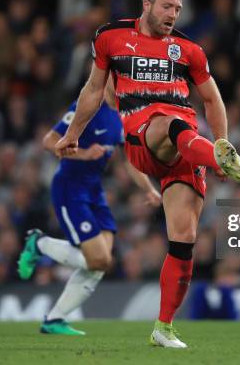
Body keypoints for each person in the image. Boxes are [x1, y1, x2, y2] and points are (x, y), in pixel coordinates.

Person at [54, 0, 240, 348]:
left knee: (184, 237)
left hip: (187, 147)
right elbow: (94, 90)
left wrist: (221, 141)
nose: (173, 14)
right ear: (146, 5)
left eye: (177, 9)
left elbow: (213, 100)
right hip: (144, 137)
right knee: (169, 121)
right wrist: (73, 133)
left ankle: (163, 327)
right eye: (166, 6)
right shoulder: (111, 37)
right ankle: (219, 160)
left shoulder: (189, 50)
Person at [18, 85, 161, 335]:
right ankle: (38, 243)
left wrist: (148, 189)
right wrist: (83, 153)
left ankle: (54, 320)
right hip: (70, 189)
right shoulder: (87, 107)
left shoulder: (124, 115)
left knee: (100, 264)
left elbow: (129, 158)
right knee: (99, 260)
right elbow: (49, 141)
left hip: (94, 192)